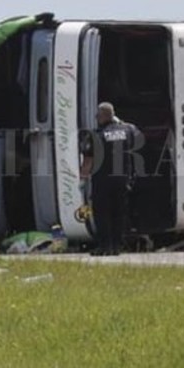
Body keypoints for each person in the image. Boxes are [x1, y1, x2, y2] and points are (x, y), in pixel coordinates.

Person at [80, 102, 140, 256]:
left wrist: (82, 178)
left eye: (97, 115)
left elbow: (88, 161)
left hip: (102, 181)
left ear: (102, 116)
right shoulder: (128, 130)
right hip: (122, 179)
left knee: (102, 213)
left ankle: (105, 247)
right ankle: (116, 246)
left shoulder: (95, 135)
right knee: (119, 213)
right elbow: (137, 140)